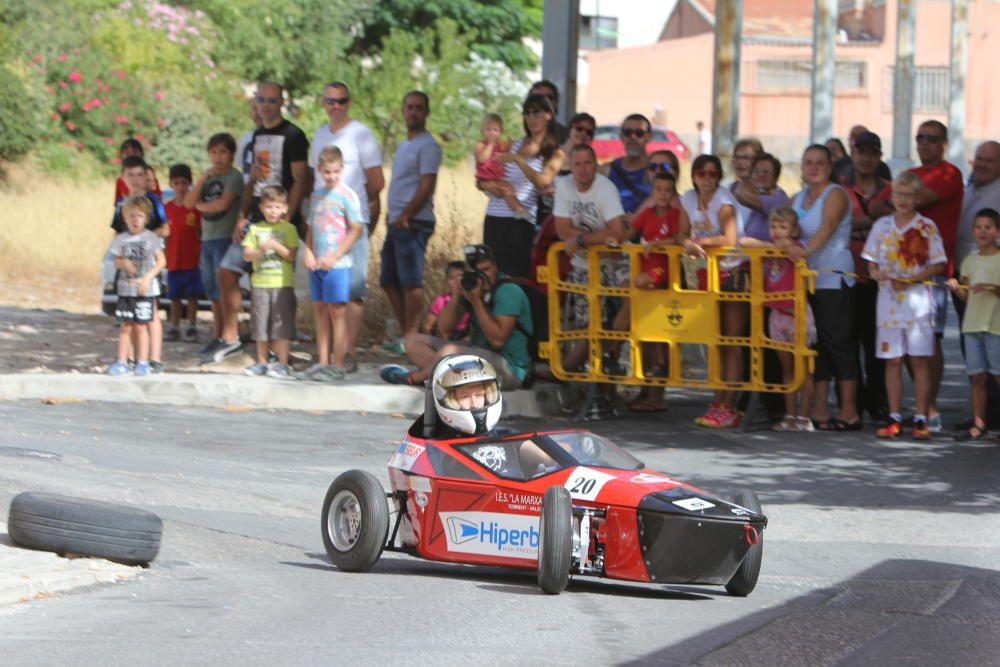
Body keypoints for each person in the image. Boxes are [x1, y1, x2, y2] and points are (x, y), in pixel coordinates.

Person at [223, 81, 309, 364]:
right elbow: (254, 178)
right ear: (256, 103)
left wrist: (288, 216)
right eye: (263, 100)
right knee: (231, 270)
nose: (267, 105)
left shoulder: (294, 135)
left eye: (273, 100)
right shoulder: (258, 135)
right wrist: (242, 214)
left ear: (281, 102)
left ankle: (279, 350)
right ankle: (233, 338)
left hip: (281, 219)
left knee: (279, 288)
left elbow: (299, 179)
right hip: (257, 218)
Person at [862, 172, 947, 439]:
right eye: (897, 194)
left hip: (918, 303)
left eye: (908, 195)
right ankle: (895, 417)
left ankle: (921, 418)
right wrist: (875, 272)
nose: (902, 200)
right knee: (893, 360)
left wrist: (911, 279)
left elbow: (938, 263)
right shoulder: (882, 226)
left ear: (917, 198)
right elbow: (871, 260)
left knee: (919, 360)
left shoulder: (926, 227)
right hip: (888, 304)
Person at [381, 244, 534, 389]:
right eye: (477, 272)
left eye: (486, 269)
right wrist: (456, 295)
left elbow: (497, 341)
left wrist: (476, 302)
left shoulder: (508, 292)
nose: (483, 276)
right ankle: (445, 378)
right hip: (478, 356)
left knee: (450, 352)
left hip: (510, 369)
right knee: (413, 342)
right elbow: (444, 328)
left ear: (495, 266)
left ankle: (416, 378)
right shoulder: (472, 287)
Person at [309, 82, 385, 371]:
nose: (336, 106)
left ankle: (348, 353)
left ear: (349, 103)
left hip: (350, 221)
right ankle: (327, 357)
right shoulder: (319, 135)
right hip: (322, 222)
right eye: (330, 101)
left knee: (352, 290)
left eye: (341, 101)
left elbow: (376, 181)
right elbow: (314, 179)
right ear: (323, 103)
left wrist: (361, 213)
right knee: (326, 296)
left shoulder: (361, 134)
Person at [787, 144, 860, 430]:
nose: (813, 167)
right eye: (808, 162)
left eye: (819, 162)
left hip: (833, 278)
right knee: (814, 345)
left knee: (837, 343)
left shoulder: (836, 194)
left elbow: (828, 226)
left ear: (830, 167)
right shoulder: (797, 197)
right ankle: (818, 409)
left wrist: (802, 252)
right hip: (804, 282)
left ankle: (849, 410)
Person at [679, 154, 745, 428]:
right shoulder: (688, 199)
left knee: (732, 341)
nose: (706, 178)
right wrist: (687, 243)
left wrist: (700, 242)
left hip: (733, 272)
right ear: (693, 176)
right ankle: (717, 401)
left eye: (712, 174)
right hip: (707, 275)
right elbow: (681, 233)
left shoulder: (724, 200)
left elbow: (729, 240)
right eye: (701, 173)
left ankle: (728, 404)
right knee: (716, 341)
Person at [553, 144, 628, 371]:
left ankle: (609, 353)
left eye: (588, 163)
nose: (583, 169)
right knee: (591, 324)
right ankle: (576, 371)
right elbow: (562, 231)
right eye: (578, 164)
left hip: (613, 258)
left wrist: (582, 241)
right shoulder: (564, 187)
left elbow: (617, 232)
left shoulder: (606, 189)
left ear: (595, 165)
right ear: (570, 166)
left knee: (632, 299)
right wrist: (596, 237)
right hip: (583, 264)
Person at [909, 120, 964, 432]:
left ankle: (929, 408)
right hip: (902, 274)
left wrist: (900, 199)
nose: (925, 143)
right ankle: (919, 404)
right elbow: (879, 208)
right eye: (920, 138)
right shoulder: (911, 176)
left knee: (931, 341)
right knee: (908, 342)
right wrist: (899, 199)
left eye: (932, 138)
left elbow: (915, 201)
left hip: (934, 274)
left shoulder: (949, 174)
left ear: (944, 143)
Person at [742, 207, 817, 432]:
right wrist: (770, 245)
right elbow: (743, 242)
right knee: (787, 369)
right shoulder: (770, 248)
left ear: (794, 230)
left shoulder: (797, 249)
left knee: (802, 369)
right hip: (777, 316)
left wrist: (786, 246)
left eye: (783, 227)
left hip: (797, 314)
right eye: (774, 226)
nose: (777, 231)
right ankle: (790, 415)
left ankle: (804, 416)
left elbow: (796, 252)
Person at [616, 169, 682, 412]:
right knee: (646, 334)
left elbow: (678, 239)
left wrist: (655, 244)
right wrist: (613, 238)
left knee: (658, 335)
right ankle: (648, 392)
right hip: (645, 274)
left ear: (673, 193)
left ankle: (614, 344)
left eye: (667, 191)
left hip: (662, 276)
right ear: (652, 193)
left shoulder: (676, 214)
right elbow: (628, 232)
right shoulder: (647, 213)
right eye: (658, 190)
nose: (663, 195)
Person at [380, 91, 443, 345]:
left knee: (410, 281)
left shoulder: (428, 145)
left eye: (418, 107)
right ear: (403, 110)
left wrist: (407, 214)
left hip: (414, 221)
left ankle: (411, 337)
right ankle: (408, 334)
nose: (413, 112)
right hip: (397, 221)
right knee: (388, 279)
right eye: (409, 107)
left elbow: (427, 185)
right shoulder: (404, 144)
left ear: (426, 112)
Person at [481, 94, 565, 281]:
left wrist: (519, 161)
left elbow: (543, 182)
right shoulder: (513, 144)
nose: (531, 119)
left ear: (548, 115)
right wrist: (483, 183)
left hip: (519, 221)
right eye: (527, 114)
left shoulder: (555, 153)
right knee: (490, 275)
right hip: (494, 216)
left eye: (536, 113)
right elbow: (486, 171)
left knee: (516, 277)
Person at [840, 131, 893, 421]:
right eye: (861, 152)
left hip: (881, 280)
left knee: (878, 343)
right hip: (848, 276)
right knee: (849, 341)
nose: (866, 158)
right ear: (853, 154)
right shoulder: (842, 191)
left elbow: (893, 225)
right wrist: (871, 223)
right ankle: (852, 401)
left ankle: (877, 399)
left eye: (872, 152)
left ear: (879, 156)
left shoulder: (891, 190)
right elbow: (837, 225)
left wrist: (858, 226)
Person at [300, 146, 365, 381]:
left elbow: (356, 228)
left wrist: (335, 256)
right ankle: (323, 360)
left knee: (338, 312)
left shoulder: (347, 195)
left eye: (336, 172)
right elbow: (310, 227)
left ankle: (337, 363)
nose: (332, 176)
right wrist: (308, 251)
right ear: (319, 170)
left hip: (337, 264)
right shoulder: (316, 195)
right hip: (317, 263)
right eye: (327, 172)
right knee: (320, 309)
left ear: (342, 169)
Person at [185, 133, 244, 358]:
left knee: (223, 289)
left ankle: (229, 336)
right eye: (214, 152)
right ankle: (217, 336)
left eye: (223, 152)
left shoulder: (234, 177)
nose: (218, 157)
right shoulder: (208, 178)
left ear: (231, 154)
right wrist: (202, 180)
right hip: (206, 238)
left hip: (224, 237)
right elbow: (189, 203)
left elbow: (223, 203)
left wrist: (201, 207)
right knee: (212, 291)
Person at [954, 141, 1000, 428]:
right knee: (975, 362)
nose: (981, 164)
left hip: (993, 287)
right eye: (978, 159)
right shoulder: (971, 187)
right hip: (969, 277)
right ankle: (983, 416)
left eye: (989, 161)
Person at [946, 208, 1000, 441]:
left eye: (987, 227)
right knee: (977, 376)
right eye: (978, 227)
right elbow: (966, 296)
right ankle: (979, 422)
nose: (982, 231)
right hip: (972, 326)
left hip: (995, 326)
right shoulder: (969, 261)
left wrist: (989, 288)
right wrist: (957, 289)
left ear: (997, 231)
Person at [111, 154, 168, 372]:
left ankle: (153, 358)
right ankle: (132, 358)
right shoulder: (122, 205)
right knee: (130, 317)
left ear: (147, 177)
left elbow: (166, 229)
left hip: (148, 263)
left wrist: (143, 236)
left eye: (139, 175)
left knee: (150, 313)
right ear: (123, 178)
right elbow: (117, 233)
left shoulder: (152, 202)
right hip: (128, 264)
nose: (135, 179)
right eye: (130, 175)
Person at [241, 186, 300, 379]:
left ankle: (282, 363)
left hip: (282, 283)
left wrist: (275, 246)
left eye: (277, 207)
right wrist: (261, 251)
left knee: (281, 324)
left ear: (284, 208)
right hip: (260, 283)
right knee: (260, 323)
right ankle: (262, 362)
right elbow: (247, 254)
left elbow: (292, 255)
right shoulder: (255, 229)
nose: (273, 211)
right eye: (269, 207)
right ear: (261, 208)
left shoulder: (289, 229)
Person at [163, 164, 201, 342]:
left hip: (192, 260)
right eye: (176, 183)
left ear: (190, 184)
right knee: (175, 296)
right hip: (173, 260)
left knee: (192, 296)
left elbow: (200, 232)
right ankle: (174, 326)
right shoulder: (166, 209)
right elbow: (163, 235)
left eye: (184, 183)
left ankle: (192, 326)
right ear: (171, 184)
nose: (180, 187)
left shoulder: (195, 208)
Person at [474, 113, 528, 219]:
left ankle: (518, 210)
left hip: (496, 177)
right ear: (482, 131)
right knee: (508, 189)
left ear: (500, 132)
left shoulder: (501, 145)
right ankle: (519, 209)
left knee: (507, 190)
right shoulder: (481, 144)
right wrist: (490, 144)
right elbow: (481, 159)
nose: (492, 133)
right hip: (487, 177)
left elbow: (510, 148)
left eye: (495, 130)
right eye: (488, 129)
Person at [599, 113, 652, 217]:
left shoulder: (657, 168)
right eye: (628, 133)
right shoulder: (607, 170)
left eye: (639, 133)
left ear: (648, 137)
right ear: (621, 137)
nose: (633, 137)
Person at [421, 261, 471, 340]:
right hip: (445, 338)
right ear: (446, 281)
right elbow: (427, 326)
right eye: (451, 278)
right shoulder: (442, 300)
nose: (456, 282)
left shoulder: (472, 299)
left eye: (459, 277)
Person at [728, 138, 765, 226]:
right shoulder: (728, 189)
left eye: (746, 158)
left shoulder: (770, 193)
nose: (740, 162)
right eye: (737, 157)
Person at [114, 138, 160, 203]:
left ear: (142, 155)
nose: (131, 155)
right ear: (121, 157)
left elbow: (158, 200)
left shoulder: (149, 176)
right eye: (127, 153)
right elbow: (117, 203)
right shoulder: (119, 181)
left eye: (135, 152)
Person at [528, 80, 570, 144]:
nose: (543, 102)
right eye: (537, 98)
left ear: (556, 102)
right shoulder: (521, 143)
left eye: (548, 97)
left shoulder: (569, 138)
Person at [235, 98, 263, 185]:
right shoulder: (246, 139)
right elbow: (242, 168)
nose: (256, 114)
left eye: (259, 109)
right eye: (254, 109)